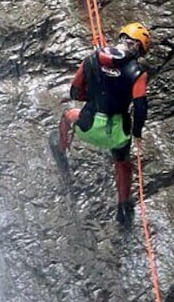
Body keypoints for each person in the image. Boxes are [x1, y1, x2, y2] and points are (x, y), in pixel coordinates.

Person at [54, 22, 151, 226]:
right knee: (123, 163)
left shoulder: (92, 59)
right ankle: (124, 207)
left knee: (68, 115)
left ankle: (60, 149)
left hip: (87, 127)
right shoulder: (138, 72)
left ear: (122, 38)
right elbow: (140, 107)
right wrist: (137, 134)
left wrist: (94, 96)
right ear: (139, 48)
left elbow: (75, 92)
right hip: (117, 135)